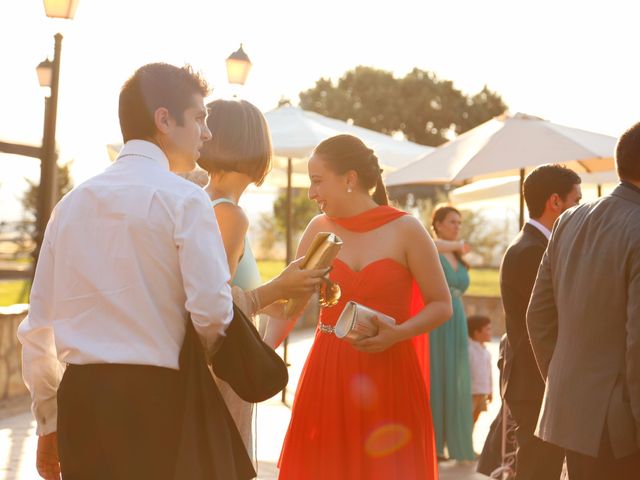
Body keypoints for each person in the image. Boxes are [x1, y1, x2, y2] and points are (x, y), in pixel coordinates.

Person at [16, 63, 234, 480]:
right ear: (164, 119)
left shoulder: (72, 205)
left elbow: (38, 327)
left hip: (81, 401)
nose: (207, 132)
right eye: (201, 118)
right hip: (156, 397)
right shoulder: (186, 200)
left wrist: (49, 421)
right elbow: (212, 313)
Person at [277, 134, 452, 479]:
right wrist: (259, 354)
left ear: (350, 179)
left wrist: (399, 333)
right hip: (328, 370)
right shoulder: (318, 229)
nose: (311, 193)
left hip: (389, 370)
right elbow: (291, 302)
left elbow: (441, 304)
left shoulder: (407, 230)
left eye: (316, 181)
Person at [197, 98, 325, 458]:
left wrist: (287, 291)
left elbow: (257, 302)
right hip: (219, 371)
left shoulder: (198, 198)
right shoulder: (229, 215)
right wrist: (280, 287)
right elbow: (216, 303)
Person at [526, 123, 640, 479]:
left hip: (573, 412)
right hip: (625, 425)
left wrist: (567, 380)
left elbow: (538, 315)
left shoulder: (569, 219)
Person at [501, 164, 581, 480]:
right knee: (538, 470)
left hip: (537, 378)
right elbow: (548, 318)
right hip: (535, 381)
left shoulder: (535, 245)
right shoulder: (531, 250)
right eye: (577, 199)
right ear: (555, 202)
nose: (581, 207)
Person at [428, 204, 475, 461]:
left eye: (459, 222)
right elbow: (430, 244)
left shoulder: (457, 254)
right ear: (438, 224)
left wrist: (458, 247)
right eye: (452, 222)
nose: (457, 226)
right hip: (437, 321)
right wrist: (458, 245)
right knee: (437, 377)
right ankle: (433, 444)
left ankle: (457, 443)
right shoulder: (432, 247)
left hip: (457, 319)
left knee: (456, 378)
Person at [467, 314, 493, 425]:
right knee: (468, 419)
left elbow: (489, 373)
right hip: (471, 392)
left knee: (476, 417)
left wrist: (491, 390)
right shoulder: (469, 350)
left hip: (482, 391)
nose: (490, 332)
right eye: (487, 329)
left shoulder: (486, 352)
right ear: (477, 332)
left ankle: (469, 437)